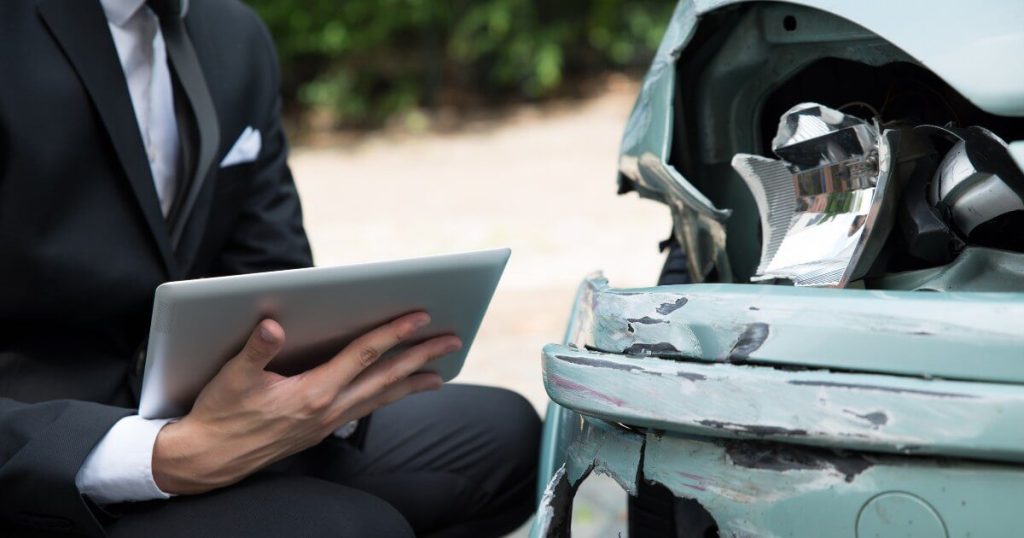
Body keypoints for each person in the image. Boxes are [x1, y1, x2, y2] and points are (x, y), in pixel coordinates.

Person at [0, 0, 541, 536]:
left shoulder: (233, 34)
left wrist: (320, 392)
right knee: (353, 528)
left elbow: (271, 268)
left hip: (196, 404)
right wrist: (165, 456)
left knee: (508, 439)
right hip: (44, 448)